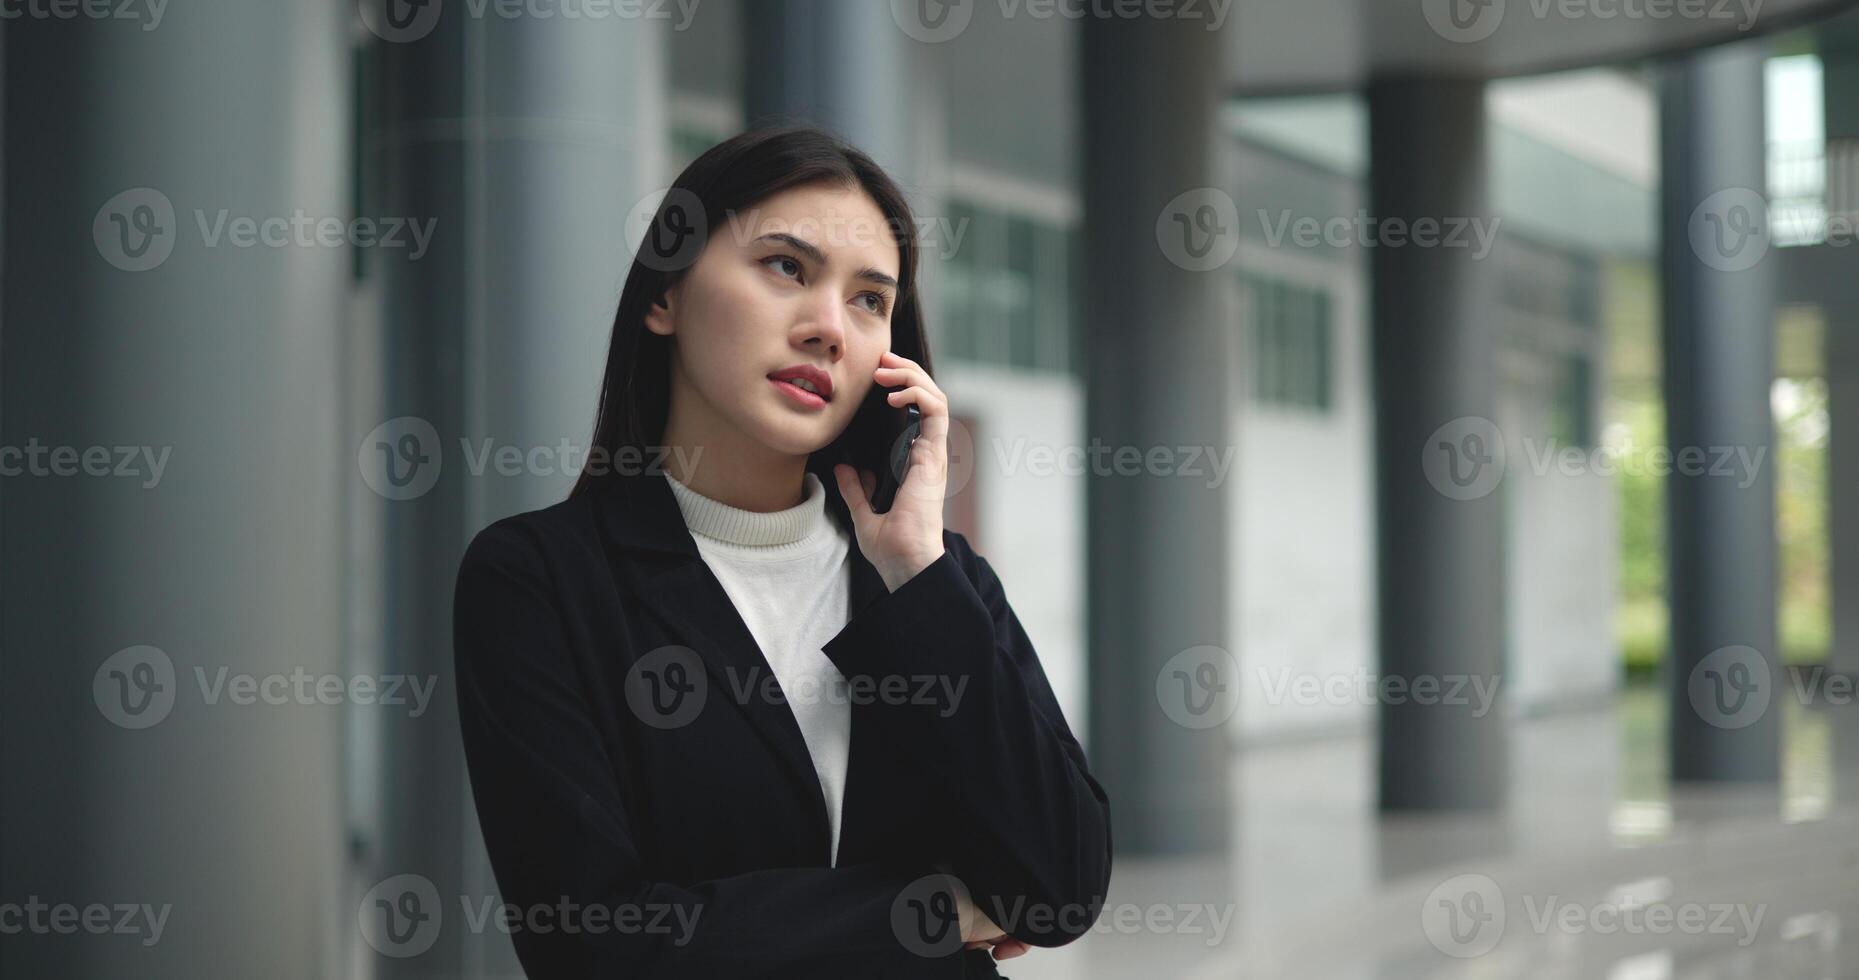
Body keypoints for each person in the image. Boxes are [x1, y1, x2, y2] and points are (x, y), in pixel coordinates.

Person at [453, 126, 1112, 978]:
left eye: (870, 301)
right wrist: (930, 912)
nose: (828, 329)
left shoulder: (932, 583)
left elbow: (1059, 888)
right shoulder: (538, 579)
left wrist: (915, 572)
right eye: (785, 268)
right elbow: (593, 946)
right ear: (665, 296)